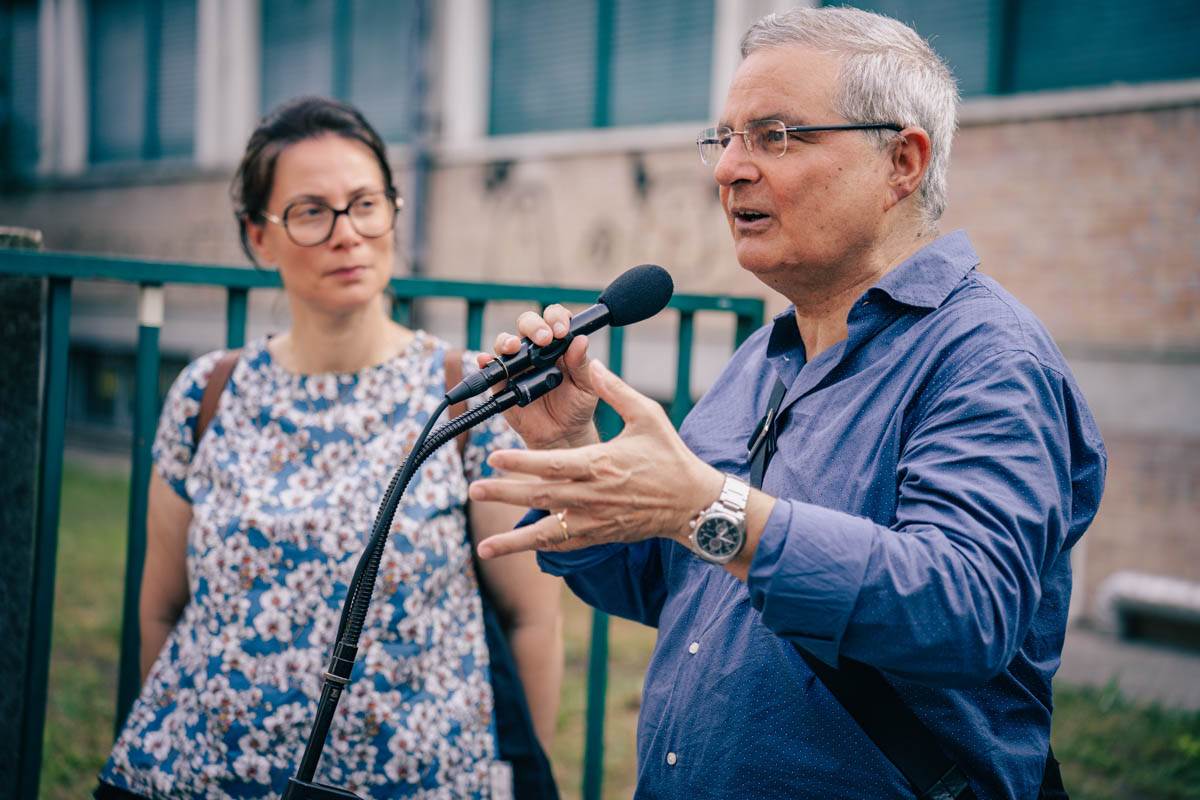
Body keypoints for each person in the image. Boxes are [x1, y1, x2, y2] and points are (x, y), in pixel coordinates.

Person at [469, 7, 1105, 799]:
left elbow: (964, 609)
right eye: (726, 138)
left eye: (775, 136)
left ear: (902, 163)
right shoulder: (762, 359)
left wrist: (710, 506)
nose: (728, 168)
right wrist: (570, 449)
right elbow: (667, 585)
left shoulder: (987, 360)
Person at [97, 97, 563, 799]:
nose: (348, 234)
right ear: (260, 236)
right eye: (312, 212)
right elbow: (162, 610)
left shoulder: (467, 395)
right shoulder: (207, 394)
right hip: (210, 779)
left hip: (418, 782)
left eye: (365, 203)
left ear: (393, 212)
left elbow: (532, 617)